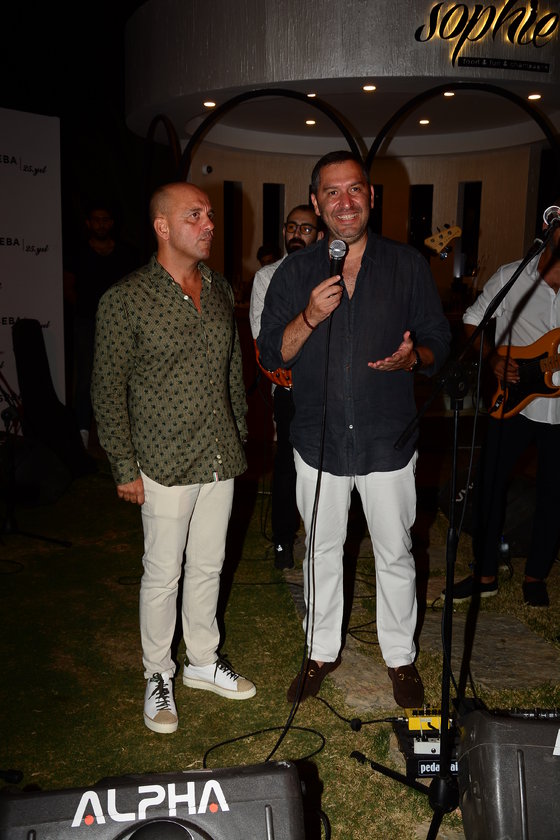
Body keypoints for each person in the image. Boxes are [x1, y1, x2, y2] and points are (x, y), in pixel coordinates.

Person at [257, 150, 451, 706]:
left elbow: (438, 339)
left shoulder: (407, 265)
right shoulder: (295, 273)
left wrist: (415, 358)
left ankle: (400, 658)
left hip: (387, 437)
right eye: (332, 192)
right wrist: (310, 316)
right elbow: (271, 352)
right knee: (321, 548)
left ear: (371, 196)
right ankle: (320, 651)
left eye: (355, 190)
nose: (345, 202)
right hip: (317, 440)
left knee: (395, 551)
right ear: (316, 203)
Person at [91, 181, 256, 735]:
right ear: (162, 226)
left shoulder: (219, 286)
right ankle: (158, 673)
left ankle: (203, 661)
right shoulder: (125, 299)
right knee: (163, 574)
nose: (209, 224)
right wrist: (124, 466)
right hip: (160, 460)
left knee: (209, 564)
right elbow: (107, 390)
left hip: (218, 454)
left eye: (209, 215)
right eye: (194, 216)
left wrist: (239, 437)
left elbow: (231, 372)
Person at [446, 203, 560, 608]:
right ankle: (485, 574)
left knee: (554, 493)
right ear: (549, 227)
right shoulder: (514, 275)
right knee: (490, 484)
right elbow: (473, 319)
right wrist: (492, 357)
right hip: (514, 402)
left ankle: (536, 576)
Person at [249, 205, 324, 569]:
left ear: (320, 235)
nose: (297, 234)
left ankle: (322, 539)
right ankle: (283, 540)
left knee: (328, 466)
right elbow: (264, 340)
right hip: (289, 388)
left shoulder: (331, 273)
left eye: (306, 229)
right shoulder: (267, 277)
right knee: (287, 465)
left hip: (327, 388)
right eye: (292, 227)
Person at [64, 200, 141, 449]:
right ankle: (83, 434)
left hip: (121, 326)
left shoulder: (127, 254)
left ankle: (124, 437)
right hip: (87, 323)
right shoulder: (77, 253)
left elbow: (136, 289)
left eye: (105, 219)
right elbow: (68, 287)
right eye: (96, 220)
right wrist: (88, 311)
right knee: (86, 378)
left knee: (123, 377)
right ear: (88, 223)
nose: (101, 224)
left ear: (112, 223)